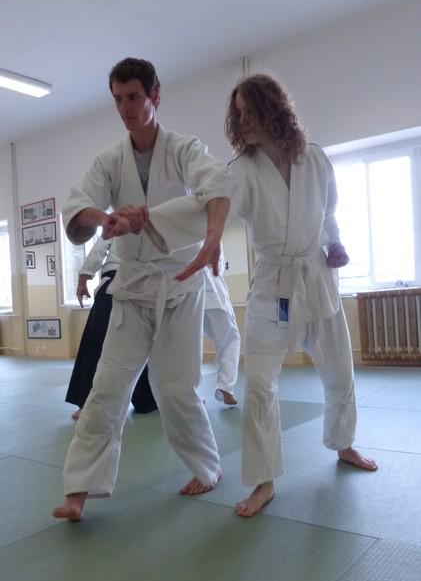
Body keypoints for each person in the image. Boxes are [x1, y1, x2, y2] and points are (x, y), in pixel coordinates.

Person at [53, 57, 230, 522]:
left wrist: (212, 237)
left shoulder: (184, 149)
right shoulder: (110, 161)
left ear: (155, 96)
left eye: (133, 97)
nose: (125, 108)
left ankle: (207, 468)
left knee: (175, 389)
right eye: (117, 99)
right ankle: (79, 489)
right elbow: (77, 206)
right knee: (107, 388)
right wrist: (106, 219)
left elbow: (216, 184)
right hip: (131, 290)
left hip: (179, 284)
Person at [223, 73, 377, 517]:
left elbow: (328, 213)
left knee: (339, 369)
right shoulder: (242, 170)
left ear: (273, 109)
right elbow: (209, 206)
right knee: (258, 385)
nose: (243, 121)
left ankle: (343, 443)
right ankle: (264, 480)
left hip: (316, 279)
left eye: (250, 111)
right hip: (273, 285)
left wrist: (335, 243)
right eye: (238, 114)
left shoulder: (315, 159)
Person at [65, 237, 157, 420]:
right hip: (142, 285)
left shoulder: (120, 222)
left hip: (120, 284)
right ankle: (148, 400)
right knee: (142, 344)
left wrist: (83, 279)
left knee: (96, 343)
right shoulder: (155, 223)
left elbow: (99, 249)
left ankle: (87, 404)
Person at [203, 247, 241, 405]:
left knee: (189, 348)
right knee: (230, 341)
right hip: (214, 296)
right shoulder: (212, 234)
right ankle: (225, 387)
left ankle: (190, 393)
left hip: (186, 295)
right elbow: (216, 265)